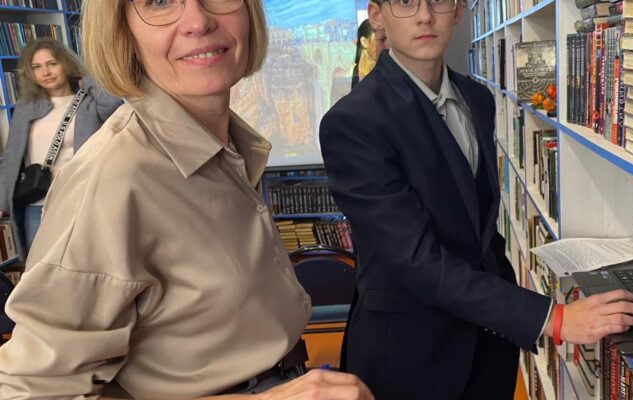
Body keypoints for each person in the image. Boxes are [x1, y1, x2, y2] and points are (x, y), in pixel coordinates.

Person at [0, 1, 372, 399]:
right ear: (121, 30)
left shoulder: (225, 146)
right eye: (160, 1)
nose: (198, 21)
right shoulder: (112, 180)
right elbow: (30, 392)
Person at [319, 0, 633, 399]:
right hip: (410, 354)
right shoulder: (354, 121)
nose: (424, 15)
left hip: (489, 344)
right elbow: (416, 261)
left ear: (457, 10)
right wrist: (551, 319)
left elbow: (481, 230)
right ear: (376, 14)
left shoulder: (478, 97)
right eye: (405, 2)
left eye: (438, 0)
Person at [0, 37, 122, 258]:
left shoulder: (88, 102)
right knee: (39, 266)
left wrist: (86, 76)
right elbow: (11, 157)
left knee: (85, 261)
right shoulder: (26, 106)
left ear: (65, 63)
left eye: (52, 63)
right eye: (37, 67)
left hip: (79, 199)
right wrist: (2, 200)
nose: (45, 72)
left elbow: (114, 104)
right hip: (37, 202)